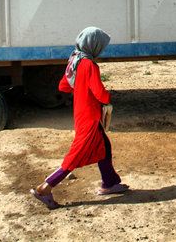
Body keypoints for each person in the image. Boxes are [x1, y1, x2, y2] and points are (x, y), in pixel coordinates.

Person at [30, 26, 128, 209]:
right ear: (94, 45)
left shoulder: (74, 60)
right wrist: (107, 98)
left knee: (104, 147)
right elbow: (100, 93)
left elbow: (63, 86)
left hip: (81, 113)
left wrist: (80, 88)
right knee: (76, 155)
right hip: (90, 116)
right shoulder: (89, 65)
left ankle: (109, 182)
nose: (102, 50)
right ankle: (45, 187)